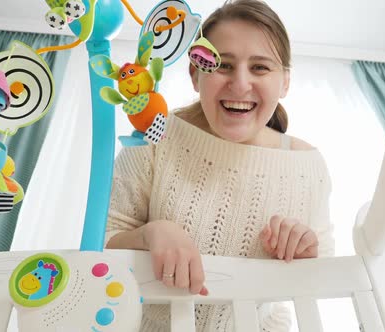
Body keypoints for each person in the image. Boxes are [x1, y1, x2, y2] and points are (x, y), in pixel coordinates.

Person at [105, 0, 334, 330]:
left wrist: (305, 248)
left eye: (260, 68)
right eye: (223, 65)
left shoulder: (307, 165)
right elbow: (101, 241)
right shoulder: (153, 138)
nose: (240, 84)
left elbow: (324, 272)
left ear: (285, 82)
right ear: (195, 74)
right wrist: (151, 233)